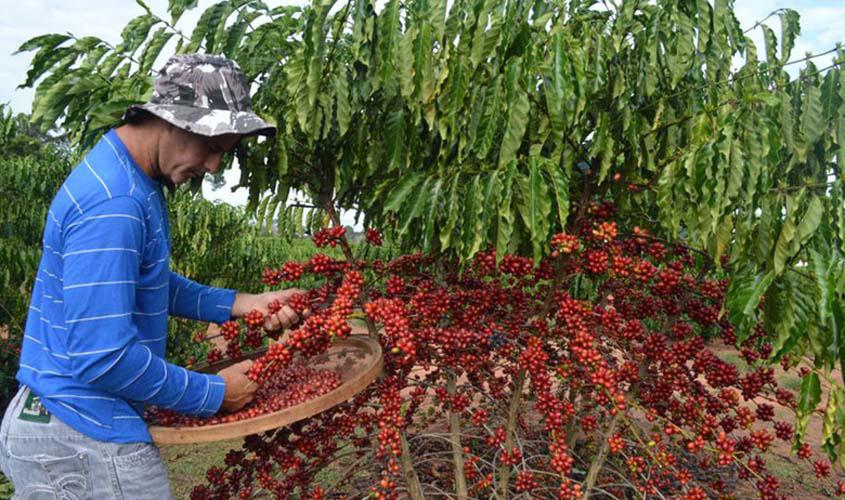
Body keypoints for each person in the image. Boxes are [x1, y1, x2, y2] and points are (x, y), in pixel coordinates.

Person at [0, 54, 301, 499]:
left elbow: (145, 281)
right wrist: (214, 393)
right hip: (82, 437)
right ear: (175, 121)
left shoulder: (127, 177)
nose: (215, 167)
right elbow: (103, 357)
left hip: (63, 420)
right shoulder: (115, 203)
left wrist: (242, 303)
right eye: (214, 147)